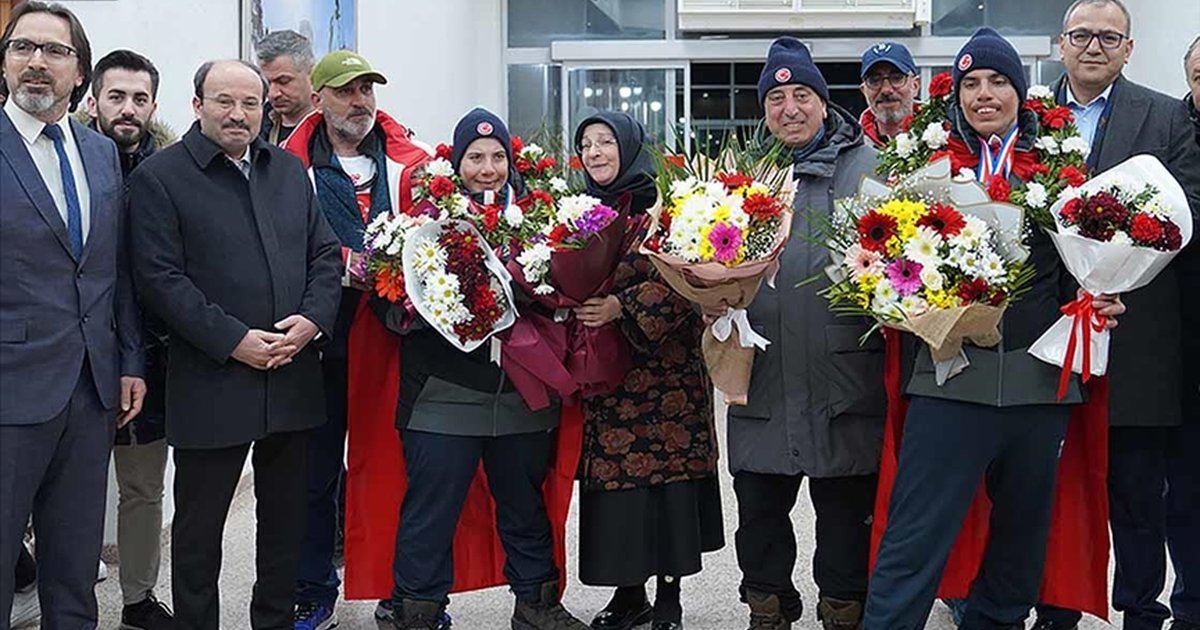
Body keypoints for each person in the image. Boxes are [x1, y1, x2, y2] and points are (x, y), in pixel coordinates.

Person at [863, 27, 1128, 630]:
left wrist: (1104, 298)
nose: (984, 94)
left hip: (1041, 388)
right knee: (914, 539)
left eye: (998, 81)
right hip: (948, 384)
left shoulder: (1064, 168)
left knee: (1022, 542)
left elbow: (1084, 271)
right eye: (971, 84)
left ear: (1018, 91)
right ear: (955, 96)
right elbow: (888, 270)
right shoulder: (921, 169)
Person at [128, 59, 343, 630]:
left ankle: (273, 621)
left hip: (292, 377)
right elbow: (160, 279)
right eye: (225, 101)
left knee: (284, 528)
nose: (238, 114)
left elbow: (325, 257)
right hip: (212, 382)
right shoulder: (160, 178)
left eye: (251, 103)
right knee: (198, 533)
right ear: (196, 105)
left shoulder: (289, 171)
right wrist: (234, 340)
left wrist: (313, 321)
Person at [1032, 2, 1200, 629]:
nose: (1093, 46)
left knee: (1136, 493)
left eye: (1109, 37)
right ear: (1060, 43)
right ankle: (1054, 608)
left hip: (1139, 335)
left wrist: (1126, 269)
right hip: (1045, 337)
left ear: (1128, 49)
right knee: (1051, 490)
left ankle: (1139, 609)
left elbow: (1189, 206)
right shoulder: (1026, 113)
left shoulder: (1163, 116)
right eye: (1082, 35)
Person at [386, 107, 587, 630]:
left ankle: (537, 605)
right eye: (475, 157)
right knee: (431, 512)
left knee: (525, 506)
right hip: (441, 397)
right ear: (456, 164)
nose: (488, 168)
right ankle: (418, 611)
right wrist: (434, 304)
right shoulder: (421, 226)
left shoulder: (545, 222)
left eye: (497, 156)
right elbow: (391, 306)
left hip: (521, 395)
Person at [725, 37, 884, 630]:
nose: (789, 108)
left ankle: (842, 609)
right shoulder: (742, 178)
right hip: (764, 374)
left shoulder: (871, 168)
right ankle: (767, 606)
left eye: (801, 95)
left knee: (845, 513)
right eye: (776, 99)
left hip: (845, 375)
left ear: (823, 101)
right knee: (760, 511)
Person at [0, 3, 146, 627]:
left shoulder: (99, 152)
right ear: (3, 63)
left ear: (78, 71)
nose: (37, 63)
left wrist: (130, 360)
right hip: (8, 392)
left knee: (74, 570)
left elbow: (114, 269)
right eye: (22, 48)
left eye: (55, 52)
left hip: (91, 394)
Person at [280, 49, 432, 630]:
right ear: (318, 99)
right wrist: (348, 264)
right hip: (321, 340)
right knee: (314, 475)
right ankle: (313, 589)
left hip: (395, 338)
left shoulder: (410, 164)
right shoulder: (287, 166)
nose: (359, 101)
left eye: (367, 89)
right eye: (345, 91)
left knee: (395, 469)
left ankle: (404, 591)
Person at [571, 111, 724, 630]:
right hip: (608, 381)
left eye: (605, 142)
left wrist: (623, 307)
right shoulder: (576, 211)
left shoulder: (669, 205)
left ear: (629, 146)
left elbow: (693, 276)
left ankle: (669, 599)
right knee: (619, 492)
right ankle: (628, 593)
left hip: (666, 377)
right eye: (586, 144)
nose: (594, 153)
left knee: (668, 488)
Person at [83, 48, 176, 630]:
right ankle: (55, 587)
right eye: (116, 96)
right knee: (70, 483)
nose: (128, 109)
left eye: (139, 98)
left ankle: (138, 599)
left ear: (153, 106)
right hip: (77, 354)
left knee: (142, 487)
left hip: (152, 357)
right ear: (92, 100)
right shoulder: (64, 161)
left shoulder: (168, 172)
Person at [256, 29, 316, 145]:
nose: (273, 94)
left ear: (311, 73)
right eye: (267, 83)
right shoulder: (254, 128)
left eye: (283, 81)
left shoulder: (336, 127)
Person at [858, 41, 920, 148]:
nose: (886, 90)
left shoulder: (946, 138)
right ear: (864, 91)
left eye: (896, 78)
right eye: (874, 80)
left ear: (915, 86)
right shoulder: (852, 146)